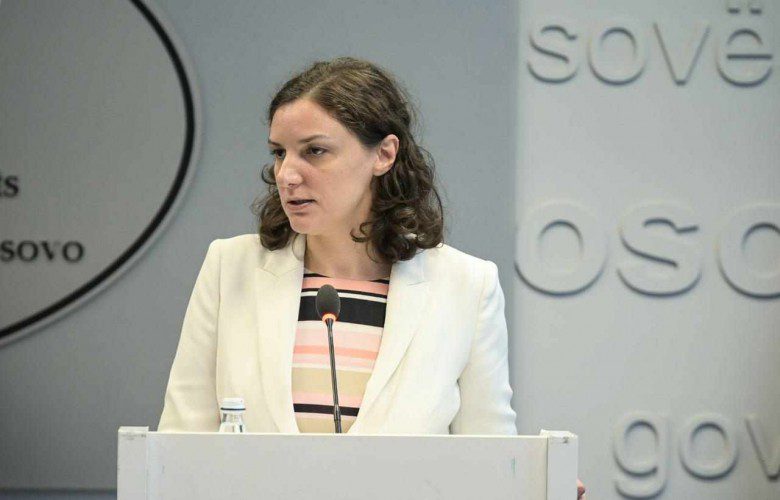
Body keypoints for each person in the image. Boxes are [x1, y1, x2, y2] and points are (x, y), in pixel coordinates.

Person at [157, 57, 584, 498]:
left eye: (314, 151)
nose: (287, 175)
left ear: (384, 154)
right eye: (279, 152)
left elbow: (492, 456)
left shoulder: (466, 285)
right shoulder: (230, 267)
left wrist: (534, 486)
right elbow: (178, 446)